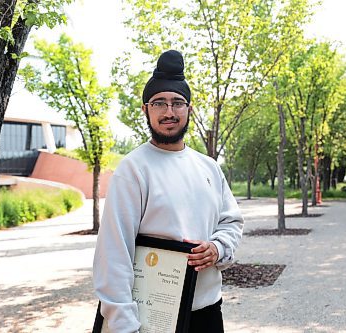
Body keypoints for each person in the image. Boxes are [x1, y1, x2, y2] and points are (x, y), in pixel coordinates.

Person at [93, 50, 244, 333]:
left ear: (190, 109)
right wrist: (124, 325)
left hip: (208, 311)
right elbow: (113, 253)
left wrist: (217, 248)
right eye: (159, 103)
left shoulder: (209, 167)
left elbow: (231, 222)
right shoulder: (134, 169)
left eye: (178, 103)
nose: (169, 112)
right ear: (145, 109)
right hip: (151, 317)